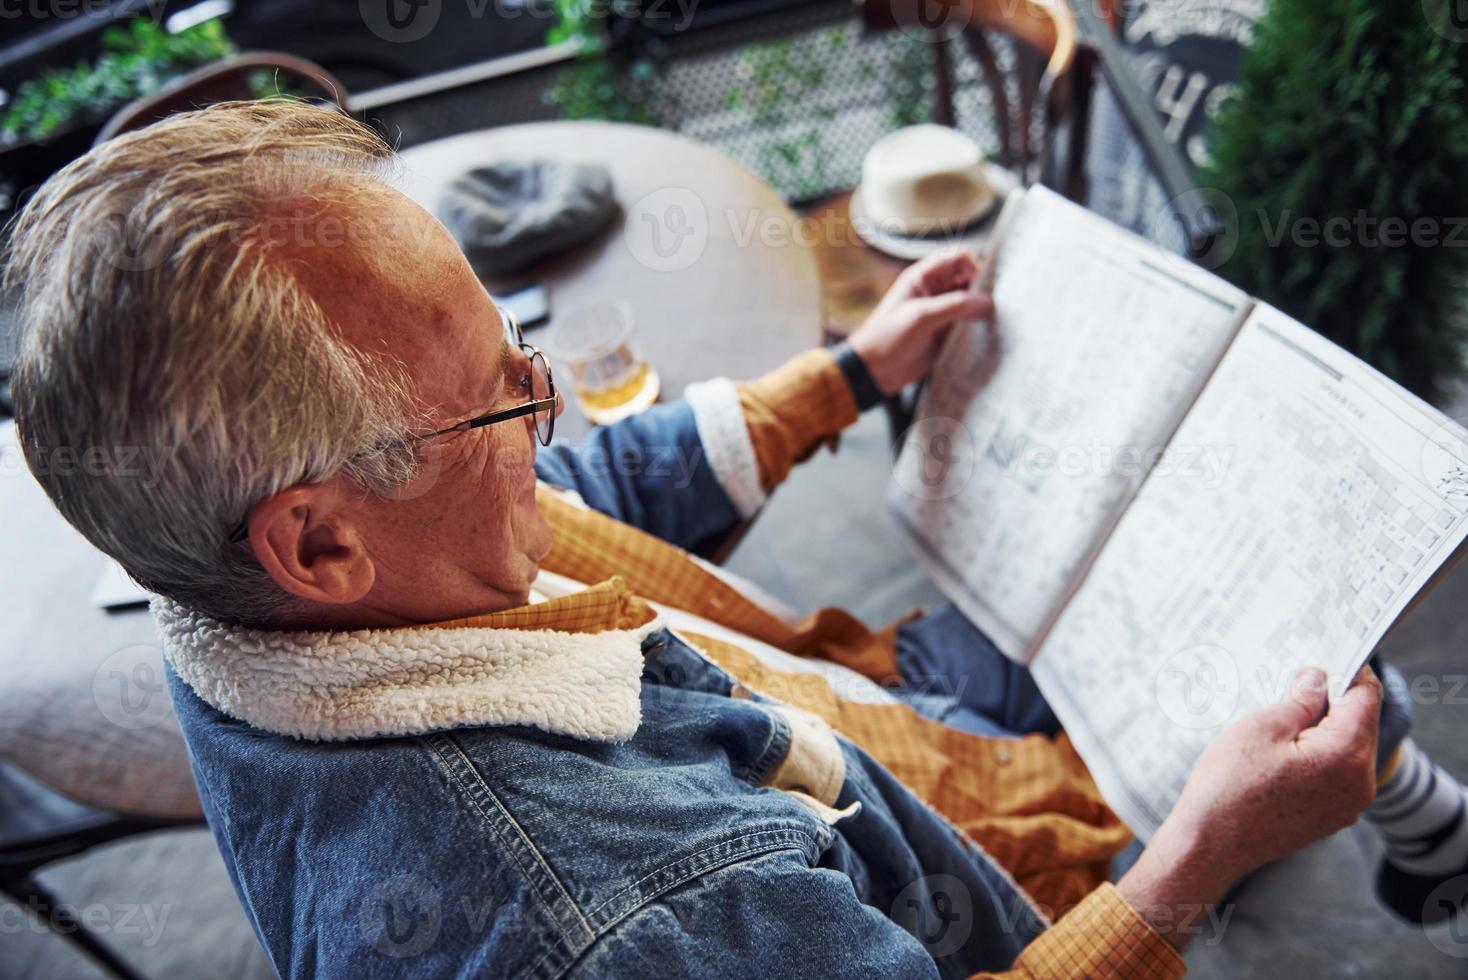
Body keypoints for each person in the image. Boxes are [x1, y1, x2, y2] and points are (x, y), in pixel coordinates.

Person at [6, 100, 1464, 978]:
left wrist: (853, 372)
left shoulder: (273, 601)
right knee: (1331, 682)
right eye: (499, 393)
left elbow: (593, 503)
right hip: (1002, 878)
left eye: (517, 343)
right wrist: (1203, 857)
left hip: (868, 713)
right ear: (317, 547)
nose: (550, 400)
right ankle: (1429, 843)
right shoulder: (624, 921)